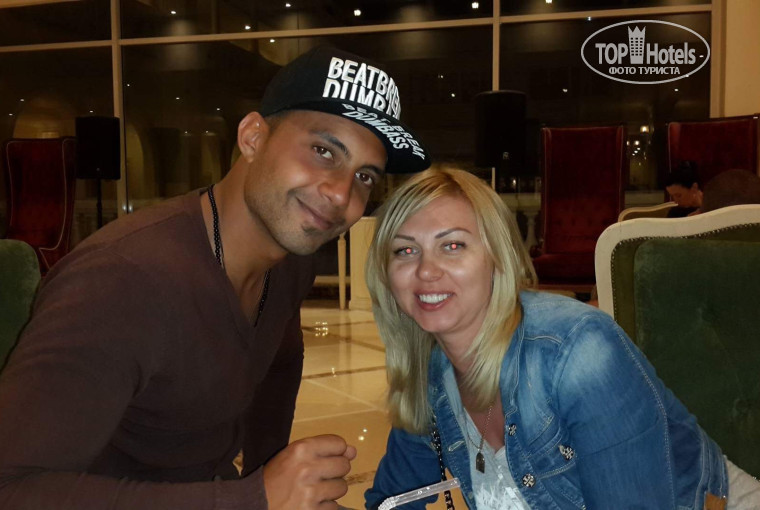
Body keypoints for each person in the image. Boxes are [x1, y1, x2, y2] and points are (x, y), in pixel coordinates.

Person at [0, 45, 430, 510]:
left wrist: (271, 476)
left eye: (365, 177)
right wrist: (253, 498)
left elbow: (281, 363)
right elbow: (10, 489)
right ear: (253, 137)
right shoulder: (121, 282)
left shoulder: (290, 262)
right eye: (323, 151)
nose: (341, 194)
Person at [362, 167, 760, 509]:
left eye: (452, 245)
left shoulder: (578, 352)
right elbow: (393, 501)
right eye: (405, 251)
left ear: (498, 258)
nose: (426, 271)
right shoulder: (431, 374)